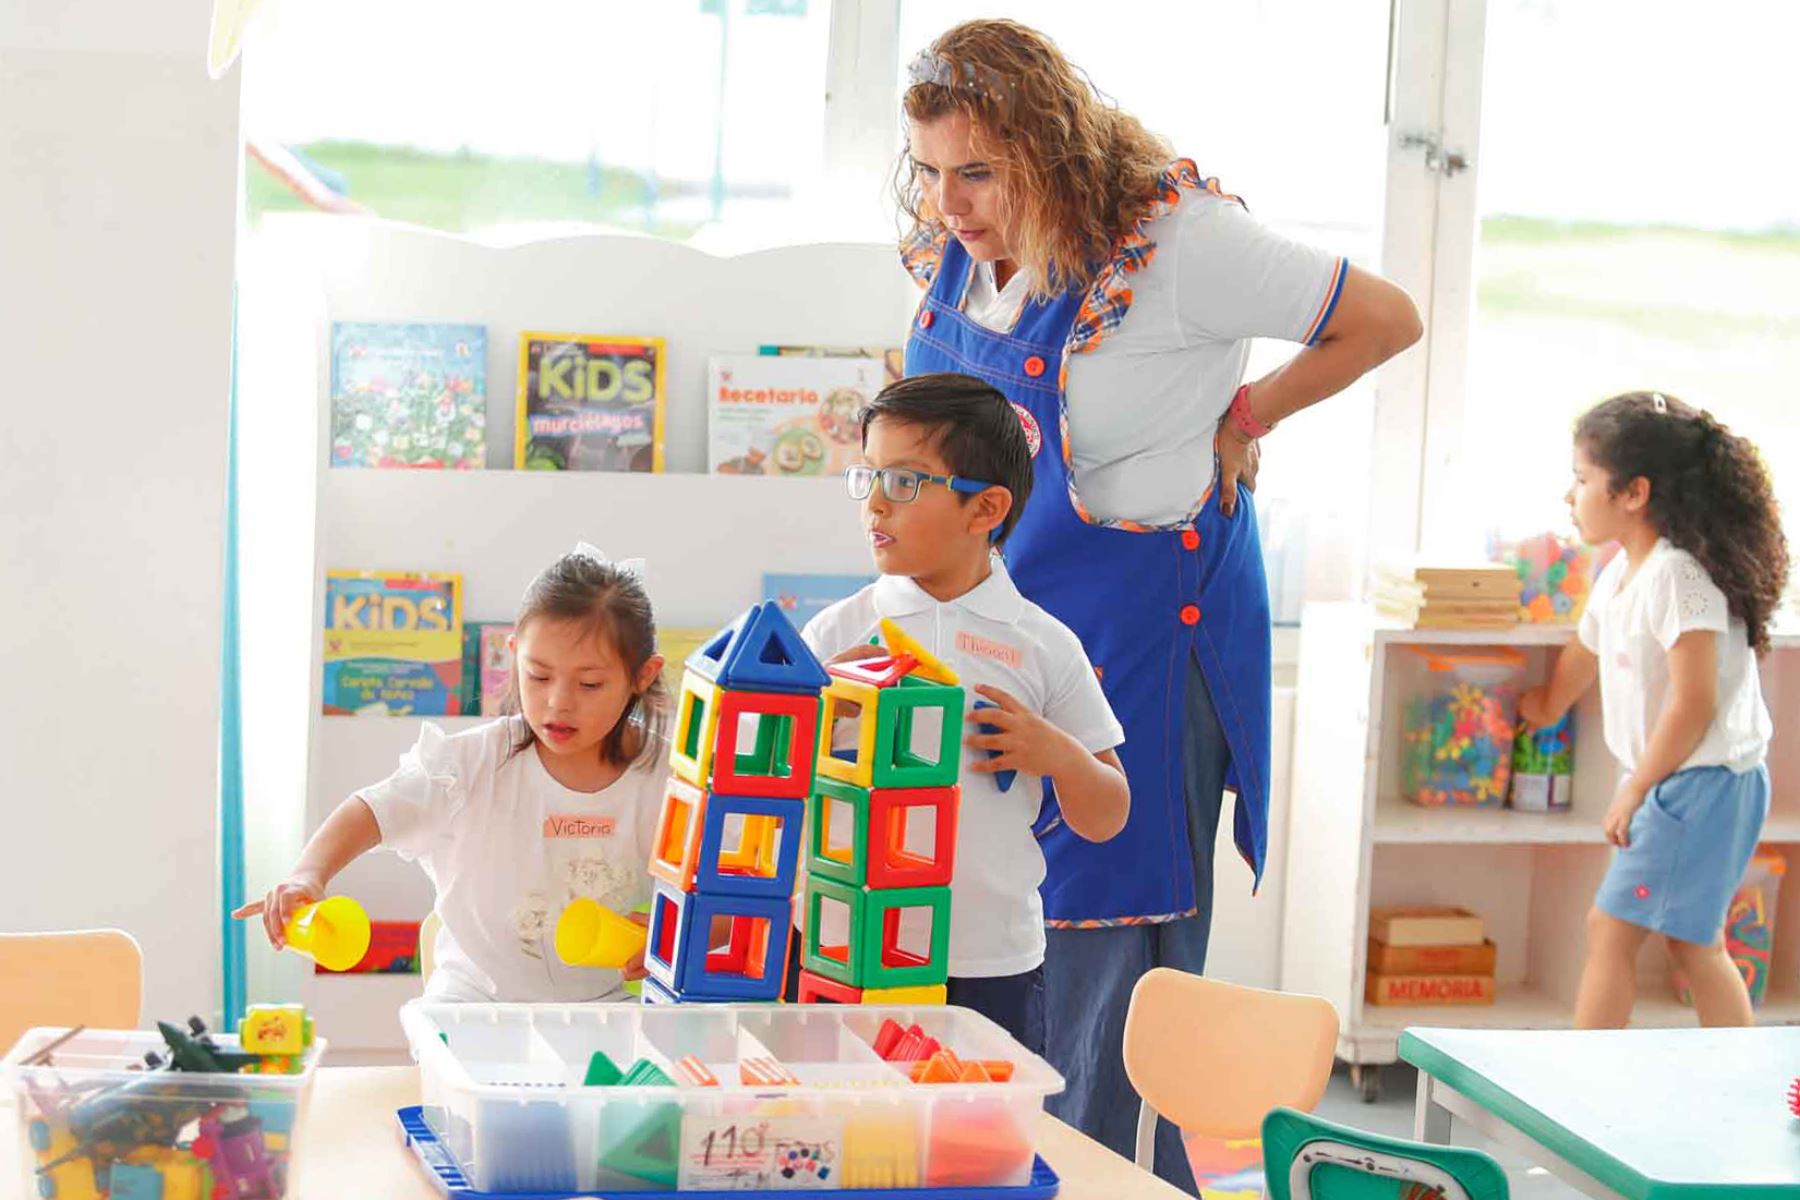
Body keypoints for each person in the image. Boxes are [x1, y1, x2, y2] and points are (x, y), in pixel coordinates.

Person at [894, 19, 1422, 1187]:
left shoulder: (1179, 243)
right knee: (977, 954)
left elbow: (1383, 318)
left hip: (1135, 644)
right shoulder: (960, 250)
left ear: (1049, 146)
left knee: (1101, 984)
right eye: (930, 171)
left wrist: (1250, 415)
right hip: (991, 640)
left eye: (978, 171)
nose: (950, 202)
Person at [797, 372, 1129, 1053]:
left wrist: (1056, 753)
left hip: (988, 961)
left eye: (906, 482)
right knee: (851, 1137)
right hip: (845, 949)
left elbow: (1109, 813)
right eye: (869, 478)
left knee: (981, 1149)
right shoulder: (837, 635)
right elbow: (781, 790)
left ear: (986, 510)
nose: (875, 507)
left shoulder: (1042, 644)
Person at [235, 547, 670, 1002]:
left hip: (598, 1008)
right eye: (539, 677)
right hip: (471, 1004)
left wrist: (671, 936)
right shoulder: (468, 764)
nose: (559, 702)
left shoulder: (664, 782)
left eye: (589, 685)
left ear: (642, 675)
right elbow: (373, 810)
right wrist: (308, 875)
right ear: (514, 655)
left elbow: (718, 898)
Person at [1520, 391, 1787, 1029]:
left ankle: (1581, 1084)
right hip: (1683, 783)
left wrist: (1635, 789)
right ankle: (1737, 1077)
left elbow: (1693, 703)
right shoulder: (1621, 573)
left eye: (1583, 480)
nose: (1570, 496)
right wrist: (1547, 704)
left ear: (1633, 493)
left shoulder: (1678, 576)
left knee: (1617, 930)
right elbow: (1588, 647)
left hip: (1700, 785)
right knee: (1690, 943)